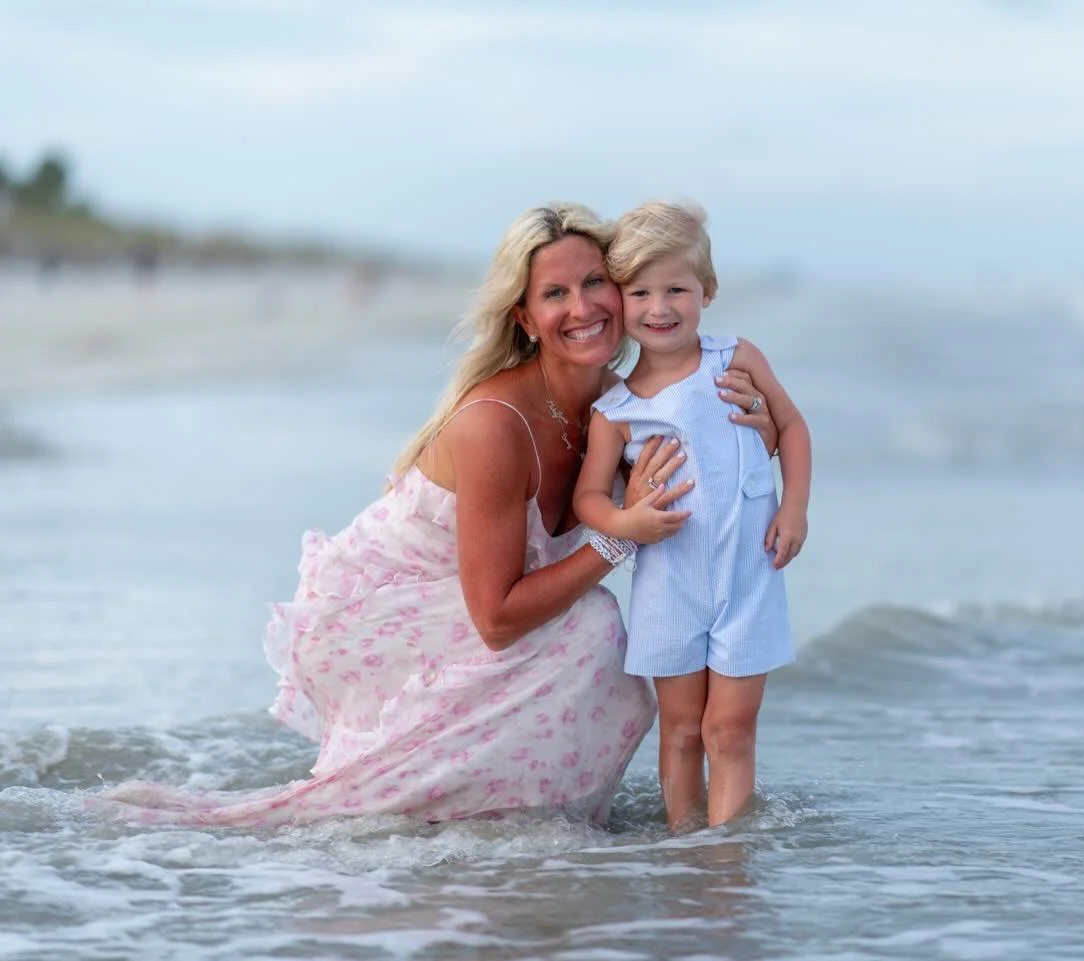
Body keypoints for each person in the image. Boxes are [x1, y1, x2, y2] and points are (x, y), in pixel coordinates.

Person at [96, 202, 777, 827]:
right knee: (596, 630)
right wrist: (616, 543)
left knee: (599, 634)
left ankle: (508, 816)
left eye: (595, 282)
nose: (583, 307)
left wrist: (760, 428)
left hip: (476, 609)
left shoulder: (618, 404)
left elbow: (705, 481)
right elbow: (498, 616)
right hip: (397, 614)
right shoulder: (494, 425)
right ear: (523, 317)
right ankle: (481, 816)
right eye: (554, 294)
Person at [574, 200, 811, 831]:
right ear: (619, 302)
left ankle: (725, 859)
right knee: (681, 730)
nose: (660, 307)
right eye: (641, 292)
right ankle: (684, 850)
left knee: (729, 729)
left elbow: (790, 426)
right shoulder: (616, 407)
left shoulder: (734, 360)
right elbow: (590, 498)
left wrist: (794, 507)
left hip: (749, 572)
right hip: (669, 581)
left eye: (676, 288)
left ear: (705, 290)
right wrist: (627, 524)